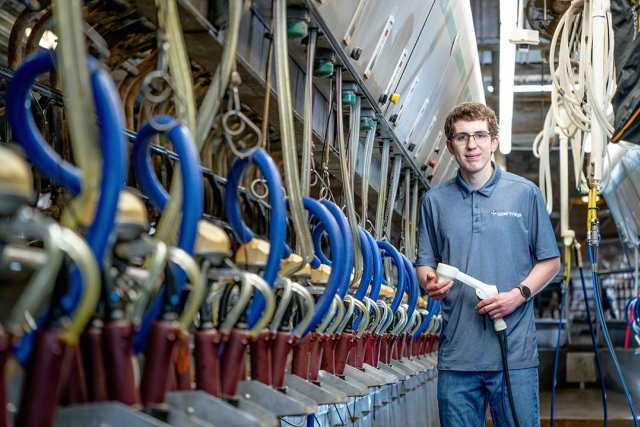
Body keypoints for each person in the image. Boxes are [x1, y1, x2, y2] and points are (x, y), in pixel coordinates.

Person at [416, 102, 561, 427]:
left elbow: (550, 261)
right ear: (451, 146)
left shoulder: (524, 194)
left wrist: (519, 294)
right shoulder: (434, 202)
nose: (472, 145)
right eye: (462, 137)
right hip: (457, 357)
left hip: (513, 355)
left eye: (480, 135)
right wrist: (430, 282)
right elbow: (425, 263)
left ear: (494, 141)